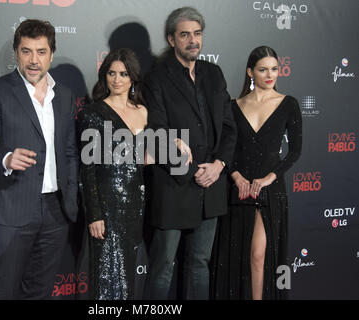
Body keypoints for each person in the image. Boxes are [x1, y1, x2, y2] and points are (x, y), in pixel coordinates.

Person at [0, 19, 79, 299]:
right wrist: (6, 158)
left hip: (56, 211)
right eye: (26, 51)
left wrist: (71, 199)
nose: (34, 60)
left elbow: (69, 152)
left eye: (41, 52)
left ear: (51, 54)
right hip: (11, 208)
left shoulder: (65, 96)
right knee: (4, 290)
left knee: (41, 291)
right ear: (16, 52)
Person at [142, 7, 237, 300]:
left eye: (197, 34)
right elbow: (156, 129)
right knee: (163, 267)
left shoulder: (213, 73)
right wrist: (194, 170)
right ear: (172, 39)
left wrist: (218, 165)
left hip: (212, 185)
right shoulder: (156, 78)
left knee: (200, 264)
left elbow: (229, 127)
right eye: (185, 35)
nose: (193, 40)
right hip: (175, 185)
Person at [210, 46, 302, 300]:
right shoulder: (233, 106)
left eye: (274, 69)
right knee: (235, 258)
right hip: (238, 189)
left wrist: (268, 179)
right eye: (263, 69)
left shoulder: (288, 104)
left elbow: (294, 152)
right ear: (251, 72)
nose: (270, 75)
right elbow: (226, 150)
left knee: (258, 256)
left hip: (270, 190)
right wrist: (236, 176)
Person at [77, 48, 147, 300]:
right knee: (107, 277)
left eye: (123, 74)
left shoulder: (144, 112)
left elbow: (148, 157)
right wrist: (95, 214)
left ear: (133, 78)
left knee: (129, 274)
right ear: (104, 76)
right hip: (107, 205)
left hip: (137, 205)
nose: (117, 79)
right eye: (111, 73)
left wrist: (176, 145)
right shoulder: (92, 114)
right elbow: (88, 170)